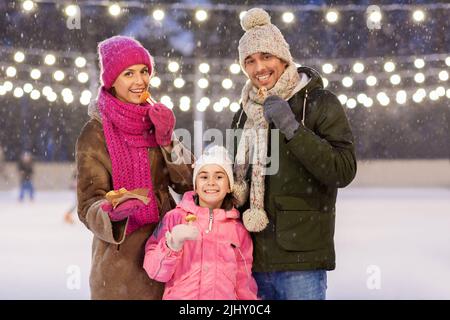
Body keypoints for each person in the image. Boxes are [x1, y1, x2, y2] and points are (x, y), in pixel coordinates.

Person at [230, 8, 357, 300]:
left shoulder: (319, 102)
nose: (259, 67)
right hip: (251, 259)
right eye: (250, 61)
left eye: (266, 57)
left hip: (302, 259)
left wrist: (291, 127)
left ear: (283, 57)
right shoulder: (243, 114)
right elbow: (231, 179)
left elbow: (342, 169)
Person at [76, 35, 194, 300]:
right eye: (128, 73)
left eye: (144, 72)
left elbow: (190, 184)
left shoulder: (156, 122)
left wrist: (167, 141)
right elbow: (87, 205)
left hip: (166, 255)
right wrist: (111, 212)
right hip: (118, 269)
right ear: (111, 81)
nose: (140, 81)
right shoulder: (95, 133)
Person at [143, 145, 258, 300]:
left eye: (219, 177)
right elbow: (154, 271)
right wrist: (171, 246)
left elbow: (244, 282)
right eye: (204, 177)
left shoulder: (238, 230)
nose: (211, 182)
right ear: (195, 186)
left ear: (229, 186)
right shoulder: (174, 218)